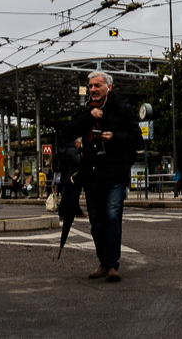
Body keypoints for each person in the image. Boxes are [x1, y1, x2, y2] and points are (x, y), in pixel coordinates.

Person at [60, 70, 140, 283]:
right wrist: (89, 117)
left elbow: (136, 138)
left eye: (97, 85)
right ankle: (103, 263)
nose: (93, 90)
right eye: (91, 86)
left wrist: (113, 138)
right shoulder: (86, 110)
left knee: (113, 216)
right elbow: (67, 133)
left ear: (108, 87)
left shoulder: (121, 107)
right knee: (96, 222)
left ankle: (112, 265)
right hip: (92, 175)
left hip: (115, 172)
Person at [57, 137, 85, 219]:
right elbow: (78, 162)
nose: (80, 145)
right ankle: (63, 213)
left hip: (67, 177)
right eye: (80, 143)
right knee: (68, 196)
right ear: (76, 143)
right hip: (72, 177)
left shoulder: (66, 149)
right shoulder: (72, 151)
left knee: (72, 196)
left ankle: (77, 211)